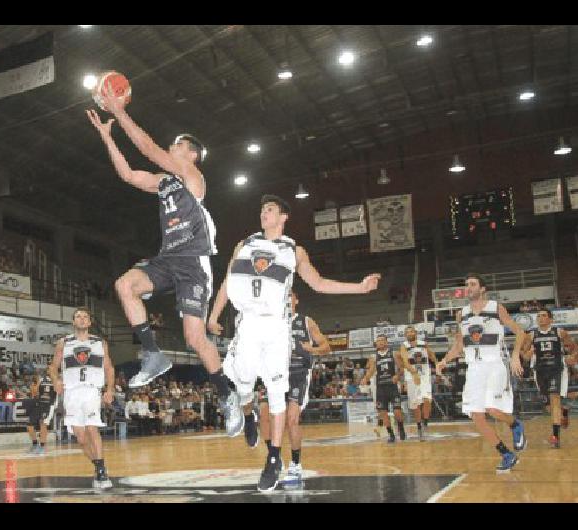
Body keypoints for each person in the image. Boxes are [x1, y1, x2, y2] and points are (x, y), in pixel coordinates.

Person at [87, 94, 239, 433]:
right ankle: (153, 354)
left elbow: (148, 148)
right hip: (168, 258)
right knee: (125, 285)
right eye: (173, 145)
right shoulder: (164, 182)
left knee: (195, 340)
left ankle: (226, 396)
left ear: (192, 154)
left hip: (193, 264)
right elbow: (128, 174)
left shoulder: (191, 175)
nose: (171, 147)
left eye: (177, 145)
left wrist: (120, 111)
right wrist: (108, 137)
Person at [207, 194, 380, 492]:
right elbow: (226, 282)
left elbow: (319, 283)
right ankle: (247, 418)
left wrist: (359, 288)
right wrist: (213, 315)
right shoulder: (244, 244)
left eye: (270, 209)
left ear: (283, 217)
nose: (264, 213)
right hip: (247, 322)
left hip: (276, 326)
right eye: (262, 209)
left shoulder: (294, 251)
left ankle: (274, 458)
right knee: (244, 385)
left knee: (277, 396)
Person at [436, 273, 527, 473]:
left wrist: (515, 356)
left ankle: (515, 424)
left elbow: (520, 332)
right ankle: (506, 454)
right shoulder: (463, 314)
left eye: (472, 284)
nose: (468, 287)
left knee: (493, 409)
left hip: (494, 364)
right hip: (474, 368)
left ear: (482, 289)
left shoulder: (496, 308)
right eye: (466, 284)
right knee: (477, 416)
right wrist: (444, 360)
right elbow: (459, 345)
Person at [48, 307, 115, 489]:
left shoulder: (100, 342)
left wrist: (110, 390)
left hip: (92, 390)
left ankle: (101, 471)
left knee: (92, 428)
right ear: (73, 322)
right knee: (81, 438)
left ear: (90, 322)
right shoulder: (64, 342)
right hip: (71, 392)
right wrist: (56, 380)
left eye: (85, 317)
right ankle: (98, 465)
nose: (82, 319)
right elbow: (53, 367)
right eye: (78, 316)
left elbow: (108, 368)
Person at [278, 291, 331, 483]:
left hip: (299, 373)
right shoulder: (273, 320)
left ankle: (295, 463)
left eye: (290, 295)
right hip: (277, 374)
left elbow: (326, 346)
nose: (287, 298)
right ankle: (274, 459)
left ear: (296, 299)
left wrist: (312, 349)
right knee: (268, 416)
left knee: (292, 419)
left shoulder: (306, 321)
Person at [520, 309, 578, 448]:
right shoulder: (531, 335)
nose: (540, 318)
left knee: (554, 398)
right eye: (538, 316)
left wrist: (573, 357)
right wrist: (528, 353)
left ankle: (555, 437)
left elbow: (574, 348)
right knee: (548, 407)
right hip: (540, 371)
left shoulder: (560, 332)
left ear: (551, 319)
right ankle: (563, 412)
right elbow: (525, 355)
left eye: (544, 315)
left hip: (557, 369)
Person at [360, 335, 406, 443]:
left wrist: (398, 376)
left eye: (382, 340)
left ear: (386, 342)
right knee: (383, 413)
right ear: (376, 343)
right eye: (378, 341)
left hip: (392, 386)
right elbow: (371, 371)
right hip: (380, 388)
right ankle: (391, 434)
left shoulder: (394, 353)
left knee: (397, 412)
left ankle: (401, 427)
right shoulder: (374, 357)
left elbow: (402, 368)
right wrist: (365, 379)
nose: (380, 342)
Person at [397, 326, 438, 440]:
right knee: (415, 404)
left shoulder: (423, 343)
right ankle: (419, 426)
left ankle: (425, 422)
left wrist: (437, 364)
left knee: (427, 400)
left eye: (411, 331)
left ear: (415, 333)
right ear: (405, 335)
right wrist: (413, 372)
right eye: (407, 332)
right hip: (411, 376)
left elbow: (431, 355)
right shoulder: (404, 346)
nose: (410, 333)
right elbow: (405, 361)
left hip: (424, 376)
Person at [27, 369, 56, 455]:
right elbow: (35, 392)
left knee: (43, 424)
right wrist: (34, 387)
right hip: (38, 404)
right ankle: (35, 443)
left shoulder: (56, 380)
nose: (49, 371)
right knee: (29, 425)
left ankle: (42, 446)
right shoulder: (41, 379)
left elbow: (59, 391)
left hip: (49, 405)